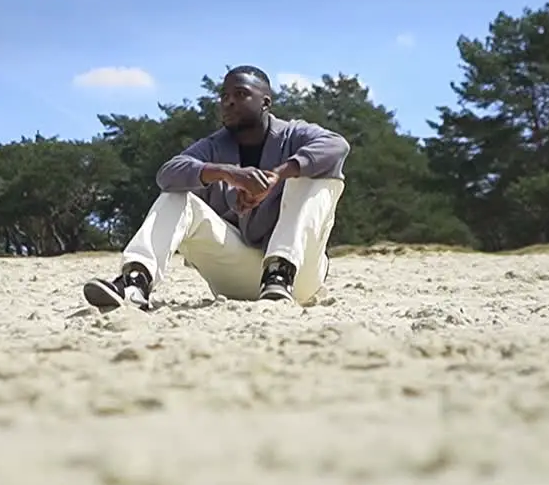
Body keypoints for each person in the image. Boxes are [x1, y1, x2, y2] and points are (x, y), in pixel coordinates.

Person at [82, 65, 350, 310]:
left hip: (300, 275)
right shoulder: (213, 146)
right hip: (237, 275)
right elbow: (167, 174)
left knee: (318, 174)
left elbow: (337, 146)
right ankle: (135, 283)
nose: (229, 102)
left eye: (240, 94)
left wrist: (277, 176)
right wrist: (226, 173)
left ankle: (279, 272)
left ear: (265, 102)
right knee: (177, 195)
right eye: (224, 97)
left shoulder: (293, 134)